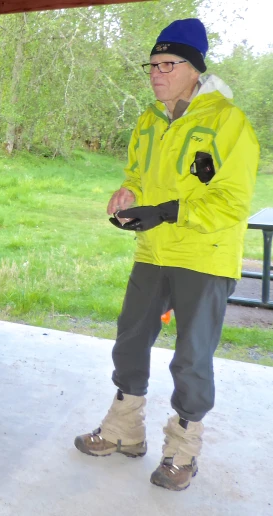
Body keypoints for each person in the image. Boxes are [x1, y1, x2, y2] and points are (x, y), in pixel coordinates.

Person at [74, 18, 259, 491]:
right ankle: (125, 429)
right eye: (151, 65)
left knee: (191, 356)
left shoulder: (227, 122)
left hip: (205, 254)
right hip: (154, 249)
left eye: (167, 64)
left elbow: (234, 200)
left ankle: (183, 447)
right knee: (130, 339)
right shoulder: (149, 120)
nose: (156, 74)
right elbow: (136, 172)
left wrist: (169, 210)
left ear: (194, 69)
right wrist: (127, 193)